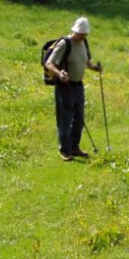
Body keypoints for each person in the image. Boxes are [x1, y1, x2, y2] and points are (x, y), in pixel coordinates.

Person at [45, 17, 102, 162]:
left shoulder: (84, 43)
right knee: (65, 118)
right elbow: (49, 63)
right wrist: (60, 74)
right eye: (80, 34)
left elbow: (86, 61)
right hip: (65, 86)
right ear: (74, 30)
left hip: (78, 85)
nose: (82, 37)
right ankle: (64, 150)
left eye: (84, 34)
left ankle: (74, 147)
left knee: (79, 117)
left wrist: (94, 67)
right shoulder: (65, 43)